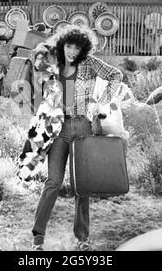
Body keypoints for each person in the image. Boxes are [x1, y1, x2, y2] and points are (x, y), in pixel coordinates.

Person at [29, 25, 123, 251]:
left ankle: (82, 240)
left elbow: (115, 75)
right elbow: (35, 59)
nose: (72, 51)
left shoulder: (89, 63)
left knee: (82, 186)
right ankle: (38, 239)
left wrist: (102, 102)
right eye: (69, 46)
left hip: (82, 126)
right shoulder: (54, 62)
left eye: (76, 48)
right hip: (57, 127)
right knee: (53, 182)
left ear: (83, 49)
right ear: (63, 45)